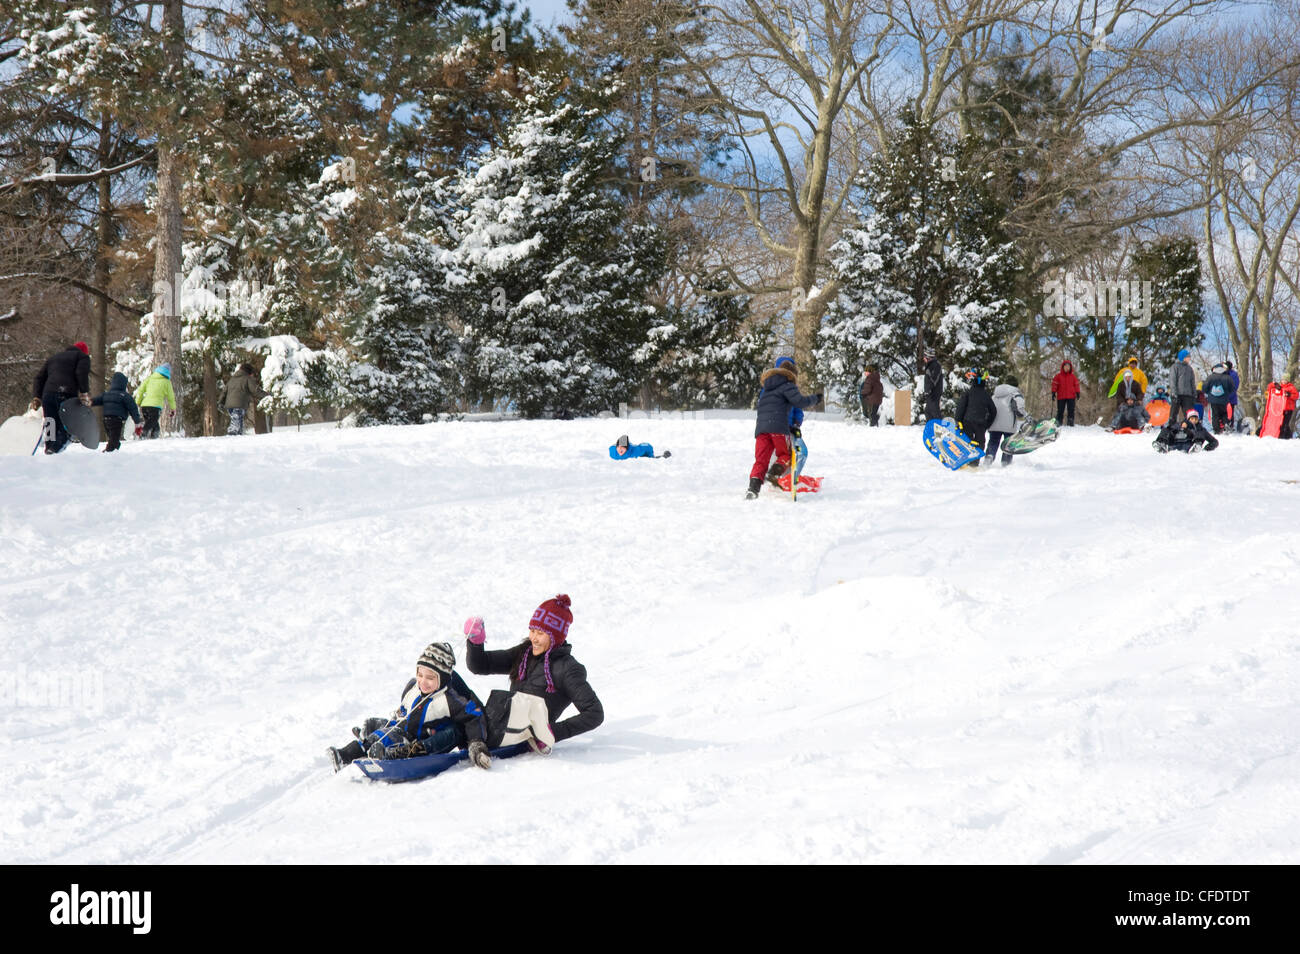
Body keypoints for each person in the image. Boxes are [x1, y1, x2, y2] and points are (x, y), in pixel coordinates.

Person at [463, 594, 603, 754]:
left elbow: (595, 713)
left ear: (555, 637)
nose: (534, 638)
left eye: (540, 633)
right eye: (532, 631)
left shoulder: (568, 669)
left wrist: (551, 733)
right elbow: (480, 665)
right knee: (449, 682)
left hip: (516, 735)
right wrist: (475, 642)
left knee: (460, 710)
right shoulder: (525, 652)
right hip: (498, 720)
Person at [327, 642, 491, 773]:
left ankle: (392, 754)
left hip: (425, 742)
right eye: (420, 675)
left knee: (450, 734)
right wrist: (392, 724)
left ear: (443, 678)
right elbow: (403, 712)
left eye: (430, 678)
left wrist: (476, 743)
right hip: (406, 731)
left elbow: (474, 715)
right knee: (381, 735)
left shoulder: (449, 699)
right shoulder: (413, 688)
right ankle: (346, 755)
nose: (423, 682)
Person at [746, 357, 820, 499]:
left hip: (762, 429)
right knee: (787, 455)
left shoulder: (767, 387)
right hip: (780, 427)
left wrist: (796, 423)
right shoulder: (788, 385)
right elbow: (800, 402)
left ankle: (753, 489)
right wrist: (815, 399)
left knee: (761, 460)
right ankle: (774, 475)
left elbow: (765, 408)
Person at [32, 342, 92, 454]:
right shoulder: (82, 357)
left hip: (48, 395)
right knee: (67, 425)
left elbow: (39, 378)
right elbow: (81, 373)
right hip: (66, 394)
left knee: (50, 422)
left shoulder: (53, 358)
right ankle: (55, 450)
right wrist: (84, 393)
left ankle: (49, 449)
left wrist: (37, 396)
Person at [954, 369, 997, 466]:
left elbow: (961, 407)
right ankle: (974, 463)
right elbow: (993, 411)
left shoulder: (968, 392)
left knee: (966, 440)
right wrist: (987, 424)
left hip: (967, 421)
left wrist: (958, 420)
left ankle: (964, 460)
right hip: (980, 423)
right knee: (980, 442)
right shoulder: (986, 395)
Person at [91, 372, 142, 452]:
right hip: (116, 420)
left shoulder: (106, 394)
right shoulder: (125, 396)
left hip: (106, 419)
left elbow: (95, 401)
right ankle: (109, 452)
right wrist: (137, 422)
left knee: (113, 438)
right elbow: (133, 409)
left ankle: (113, 449)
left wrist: (87, 402)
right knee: (114, 439)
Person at [988, 374, 1026, 466]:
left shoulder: (995, 394)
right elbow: (1019, 408)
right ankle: (1006, 462)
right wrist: (1025, 415)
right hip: (1009, 425)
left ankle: (989, 457)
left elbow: (989, 407)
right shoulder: (1016, 394)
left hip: (994, 424)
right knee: (1008, 444)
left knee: (993, 442)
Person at [134, 363, 177, 439]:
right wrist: (173, 408)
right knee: (151, 422)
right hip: (155, 407)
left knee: (155, 426)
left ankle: (153, 441)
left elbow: (140, 390)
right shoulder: (166, 382)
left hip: (145, 406)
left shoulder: (149, 378)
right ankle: (143, 434)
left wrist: (138, 402)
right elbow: (171, 397)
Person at [222, 363, 263, 436]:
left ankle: (238, 436)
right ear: (249, 372)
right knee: (236, 421)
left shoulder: (232, 379)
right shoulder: (247, 378)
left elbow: (224, 392)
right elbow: (256, 391)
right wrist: (267, 395)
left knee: (238, 420)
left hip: (229, 406)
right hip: (239, 404)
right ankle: (232, 432)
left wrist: (220, 402)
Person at [1153, 408, 1219, 453]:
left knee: (1200, 431)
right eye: (1192, 419)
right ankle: (1161, 444)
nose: (1194, 421)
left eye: (1196, 419)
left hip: (1189, 446)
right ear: (1188, 419)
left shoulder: (1200, 429)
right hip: (1173, 446)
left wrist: (1205, 449)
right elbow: (1169, 429)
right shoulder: (1179, 425)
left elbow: (1214, 442)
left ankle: (1196, 446)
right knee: (1165, 429)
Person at [1202, 363, 1235, 434]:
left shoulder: (1210, 377)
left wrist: (1210, 393)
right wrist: (1227, 393)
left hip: (1213, 400)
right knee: (1224, 413)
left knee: (1215, 414)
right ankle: (1225, 425)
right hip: (1224, 400)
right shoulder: (1228, 377)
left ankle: (1216, 430)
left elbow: (1204, 388)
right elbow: (1232, 388)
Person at [1168, 349, 1196, 426]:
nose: (1189, 358)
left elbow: (1192, 382)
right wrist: (1174, 392)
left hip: (1187, 394)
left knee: (1188, 414)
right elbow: (1172, 380)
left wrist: (1194, 393)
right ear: (1183, 357)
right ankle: (1171, 428)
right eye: (1188, 357)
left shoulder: (1189, 368)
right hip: (1177, 394)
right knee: (1173, 413)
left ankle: (1189, 427)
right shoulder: (1175, 367)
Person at [1050, 359, 1080, 426]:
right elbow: (1054, 384)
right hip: (1061, 396)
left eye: (1068, 366)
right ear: (1063, 367)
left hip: (1071, 396)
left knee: (1071, 410)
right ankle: (1059, 423)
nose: (1067, 368)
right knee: (1060, 411)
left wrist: (1078, 392)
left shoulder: (1073, 377)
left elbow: (1076, 385)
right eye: (1065, 366)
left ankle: (1070, 423)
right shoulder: (1058, 376)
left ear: (1070, 368)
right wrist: (1053, 392)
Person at [922, 351, 943, 421]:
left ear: (928, 358)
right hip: (930, 393)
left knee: (935, 411)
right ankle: (931, 427)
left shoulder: (935, 365)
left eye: (925, 357)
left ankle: (940, 427)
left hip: (934, 392)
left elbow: (934, 379)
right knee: (928, 412)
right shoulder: (930, 366)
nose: (924, 359)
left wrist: (929, 389)